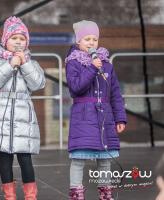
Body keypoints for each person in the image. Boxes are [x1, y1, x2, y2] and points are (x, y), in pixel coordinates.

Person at [0, 16, 45, 200]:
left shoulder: (31, 62)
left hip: (23, 116)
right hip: (2, 115)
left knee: (25, 158)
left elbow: (38, 83)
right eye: (14, 38)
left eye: (22, 39)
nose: (18, 42)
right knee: (5, 159)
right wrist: (10, 65)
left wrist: (25, 64)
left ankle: (31, 195)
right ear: (5, 40)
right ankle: (9, 195)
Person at [65, 20, 127, 200]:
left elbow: (115, 93)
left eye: (94, 39)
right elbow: (76, 88)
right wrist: (92, 67)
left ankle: (105, 194)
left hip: (105, 117)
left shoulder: (106, 64)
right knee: (78, 159)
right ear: (78, 42)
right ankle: (76, 194)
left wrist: (120, 118)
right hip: (83, 116)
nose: (91, 43)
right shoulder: (73, 62)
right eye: (87, 39)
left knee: (105, 159)